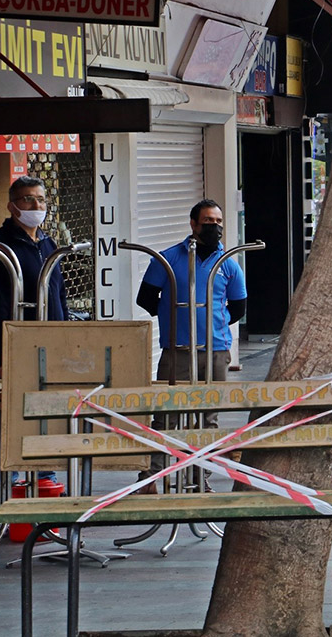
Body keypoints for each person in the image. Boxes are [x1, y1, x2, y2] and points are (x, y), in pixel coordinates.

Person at [135, 199, 246, 492]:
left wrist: (212, 325)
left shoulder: (229, 264)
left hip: (215, 352)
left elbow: (238, 307)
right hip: (177, 352)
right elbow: (146, 298)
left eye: (218, 221)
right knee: (166, 416)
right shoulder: (169, 259)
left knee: (207, 419)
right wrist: (175, 318)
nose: (214, 227)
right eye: (208, 221)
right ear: (193, 224)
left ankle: (199, 478)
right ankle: (152, 476)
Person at [0, 176, 63, 526]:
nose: (36, 207)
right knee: (4, 424)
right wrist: (4, 352)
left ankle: (42, 481)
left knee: (45, 419)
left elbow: (59, 296)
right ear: (11, 205)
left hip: (50, 349)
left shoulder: (47, 242)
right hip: (12, 350)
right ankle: (1, 493)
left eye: (41, 199)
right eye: (28, 200)